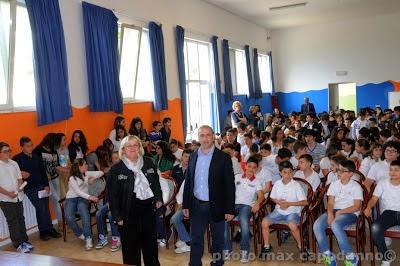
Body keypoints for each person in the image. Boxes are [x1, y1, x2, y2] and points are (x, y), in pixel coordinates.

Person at [183, 125, 235, 266]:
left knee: (217, 240)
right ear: (198, 138)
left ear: (213, 137)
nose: (205, 138)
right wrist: (185, 205)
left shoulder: (223, 158)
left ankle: (217, 263)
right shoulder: (193, 156)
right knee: (196, 239)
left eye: (208, 135)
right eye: (202, 135)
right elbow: (188, 182)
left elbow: (230, 186)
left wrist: (230, 209)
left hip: (216, 205)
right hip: (196, 205)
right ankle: (194, 263)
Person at [108, 135, 163, 265]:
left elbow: (156, 184)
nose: (132, 148)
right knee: (131, 251)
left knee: (151, 249)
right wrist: (117, 217)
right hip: (128, 213)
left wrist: (158, 198)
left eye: (135, 145)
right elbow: (112, 196)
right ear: (123, 149)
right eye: (129, 146)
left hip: (148, 210)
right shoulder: (116, 169)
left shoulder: (149, 162)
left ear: (139, 147)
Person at [313, 160, 362, 266]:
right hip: (335, 211)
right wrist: (330, 214)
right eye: (338, 170)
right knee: (317, 225)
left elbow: (357, 206)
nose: (339, 172)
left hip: (350, 212)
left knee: (335, 224)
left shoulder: (356, 186)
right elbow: (330, 203)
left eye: (342, 171)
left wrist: (340, 212)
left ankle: (350, 257)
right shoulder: (334, 184)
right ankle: (328, 255)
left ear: (350, 173)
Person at [13, 137, 61, 241]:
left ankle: (50, 229)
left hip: (42, 186)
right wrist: (20, 173)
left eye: (31, 145)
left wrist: (46, 185)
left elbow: (43, 172)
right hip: (30, 188)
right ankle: (43, 231)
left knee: (46, 208)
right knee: (40, 208)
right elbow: (12, 172)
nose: (30, 147)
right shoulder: (17, 159)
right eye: (28, 146)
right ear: (22, 147)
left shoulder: (36, 156)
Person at [259, 161, 307, 258]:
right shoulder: (277, 184)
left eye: (290, 172)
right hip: (279, 211)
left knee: (292, 225)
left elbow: (305, 202)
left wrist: (289, 204)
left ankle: (301, 246)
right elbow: (272, 197)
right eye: (285, 172)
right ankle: (267, 246)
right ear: (280, 173)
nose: (288, 175)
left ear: (292, 173)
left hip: (293, 211)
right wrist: (279, 202)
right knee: (264, 222)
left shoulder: (296, 185)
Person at [224, 156, 264, 263]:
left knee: (243, 220)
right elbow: (229, 191)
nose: (251, 169)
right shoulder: (237, 177)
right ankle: (227, 249)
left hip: (247, 206)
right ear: (245, 166)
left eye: (254, 167)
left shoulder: (256, 181)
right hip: (234, 205)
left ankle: (245, 250)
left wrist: (257, 203)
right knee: (224, 221)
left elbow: (261, 195)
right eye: (249, 166)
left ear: (256, 169)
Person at [364, 160, 400, 266]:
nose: (392, 172)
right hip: (388, 213)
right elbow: (374, 199)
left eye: (396, 170)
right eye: (391, 170)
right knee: (375, 228)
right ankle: (385, 258)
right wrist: (369, 207)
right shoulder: (383, 183)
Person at [65, 159, 103, 250]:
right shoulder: (72, 178)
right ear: (79, 167)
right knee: (69, 217)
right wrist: (90, 197)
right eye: (85, 164)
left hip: (83, 199)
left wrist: (93, 178)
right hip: (71, 198)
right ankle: (80, 234)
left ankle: (88, 237)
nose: (87, 166)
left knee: (84, 213)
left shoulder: (86, 173)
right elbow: (78, 192)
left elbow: (101, 172)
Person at [0, 142, 31, 253]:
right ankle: (18, 244)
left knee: (21, 219)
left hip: (18, 196)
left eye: (9, 150)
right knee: (13, 221)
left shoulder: (14, 163)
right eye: (5, 151)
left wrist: (20, 187)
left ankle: (25, 241)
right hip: (5, 199)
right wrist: (9, 194)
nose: (8, 153)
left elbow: (19, 178)